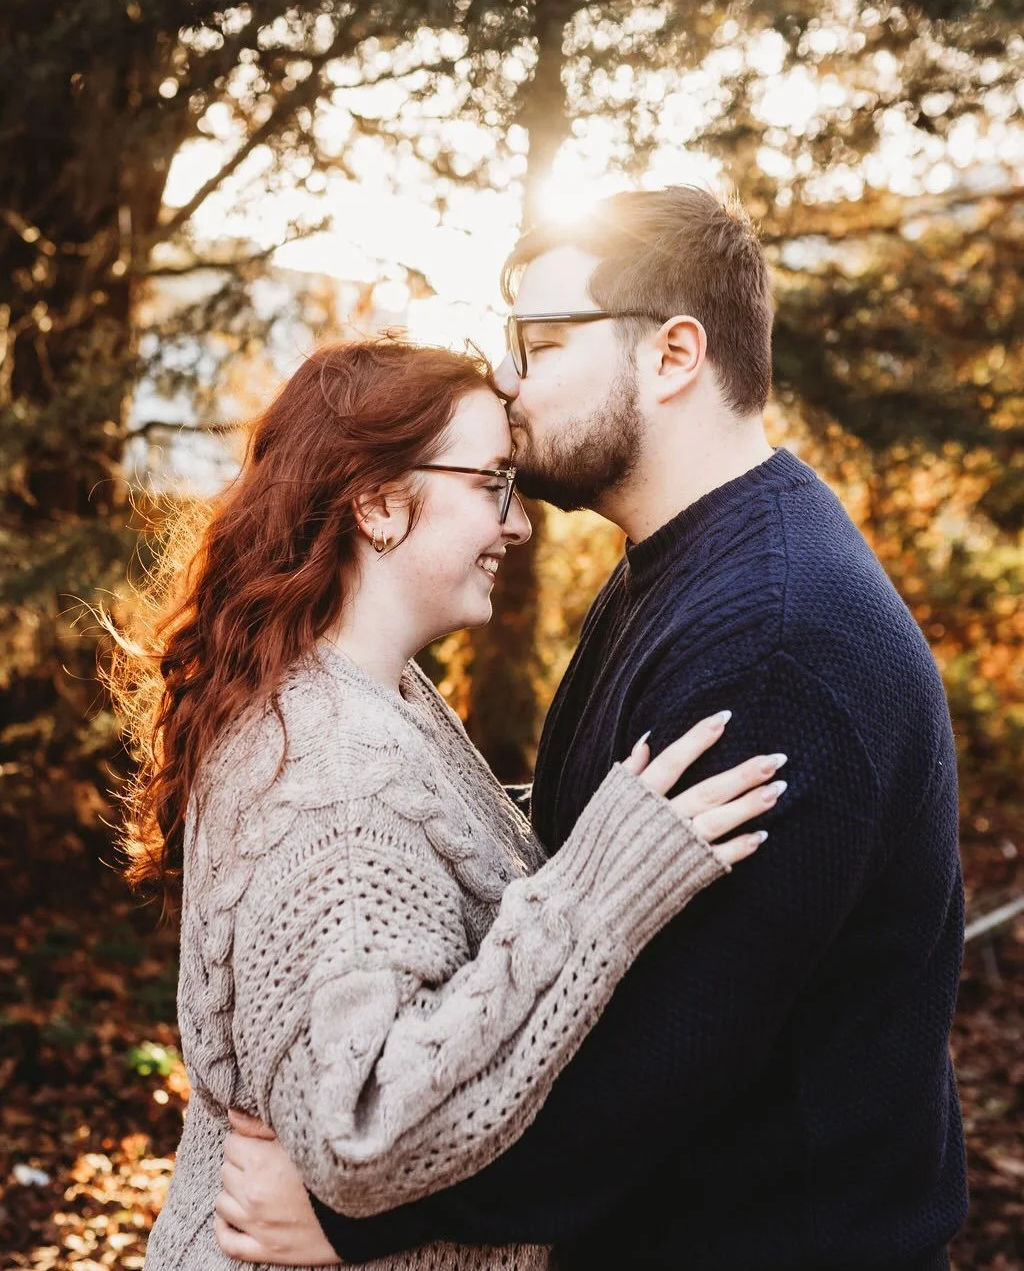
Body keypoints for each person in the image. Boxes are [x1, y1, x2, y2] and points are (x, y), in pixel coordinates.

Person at [215, 187, 968, 1271]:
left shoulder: (775, 641)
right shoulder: (685, 569)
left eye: (545, 342)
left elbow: (651, 1060)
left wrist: (356, 1217)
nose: (510, 382)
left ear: (672, 355)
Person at [117, 336, 778, 1271]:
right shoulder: (334, 771)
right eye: (490, 484)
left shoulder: (372, 696)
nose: (517, 525)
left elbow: (429, 875)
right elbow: (361, 1128)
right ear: (381, 505)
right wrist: (601, 887)